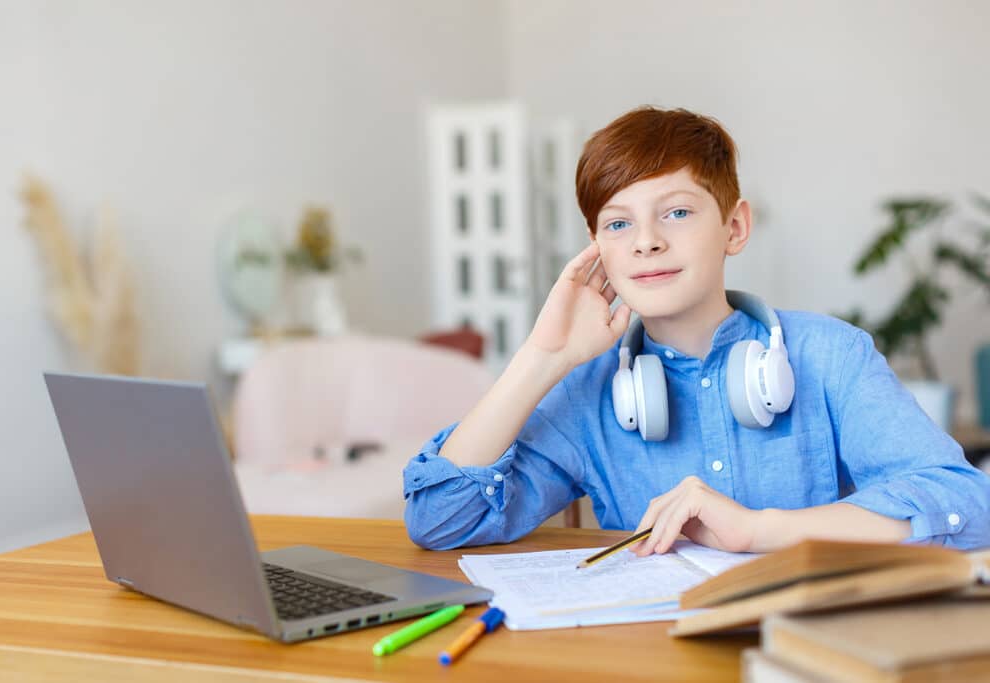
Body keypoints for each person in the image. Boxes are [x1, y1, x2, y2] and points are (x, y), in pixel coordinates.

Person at [403, 106, 990, 554]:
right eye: (617, 223)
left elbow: (968, 503)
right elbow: (439, 518)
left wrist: (761, 530)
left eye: (677, 212)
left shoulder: (831, 355)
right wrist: (542, 356)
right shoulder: (588, 391)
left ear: (734, 227)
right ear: (597, 250)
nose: (646, 240)